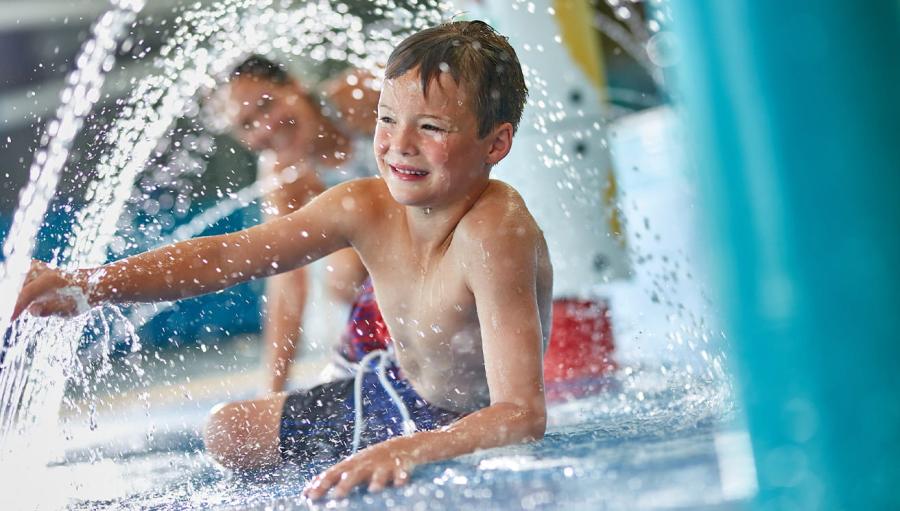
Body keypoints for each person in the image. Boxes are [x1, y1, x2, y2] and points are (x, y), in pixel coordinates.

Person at [15, 20, 549, 500]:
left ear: (495, 143)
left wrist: (414, 449)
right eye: (390, 120)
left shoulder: (494, 231)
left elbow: (520, 413)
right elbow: (227, 256)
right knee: (229, 431)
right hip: (398, 378)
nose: (399, 144)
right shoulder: (357, 202)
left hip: (446, 414)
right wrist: (93, 283)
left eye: (431, 127)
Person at [224, 56, 378, 393]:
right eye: (246, 125)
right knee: (343, 271)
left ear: (294, 86)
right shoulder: (284, 178)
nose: (264, 128)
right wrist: (273, 391)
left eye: (267, 106)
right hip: (396, 265)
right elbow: (287, 283)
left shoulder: (361, 98)